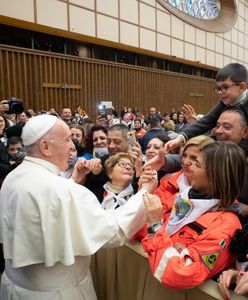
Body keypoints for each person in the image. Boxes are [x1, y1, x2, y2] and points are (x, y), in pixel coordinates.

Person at [0, 114, 161, 300]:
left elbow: (49, 209)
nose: (72, 146)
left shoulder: (13, 176)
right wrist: (145, 192)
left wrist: (74, 180)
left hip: (14, 287)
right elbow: (112, 231)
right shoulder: (65, 190)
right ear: (45, 147)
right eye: (67, 139)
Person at [142, 141, 246, 289]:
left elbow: (180, 274)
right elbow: (138, 234)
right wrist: (144, 190)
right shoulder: (185, 197)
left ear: (215, 177)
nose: (189, 167)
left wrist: (155, 227)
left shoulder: (225, 225)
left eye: (197, 165)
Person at [165, 63, 248, 152]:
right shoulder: (226, 101)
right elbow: (206, 121)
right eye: (218, 88)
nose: (220, 92)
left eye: (225, 87)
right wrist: (179, 139)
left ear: (242, 87)